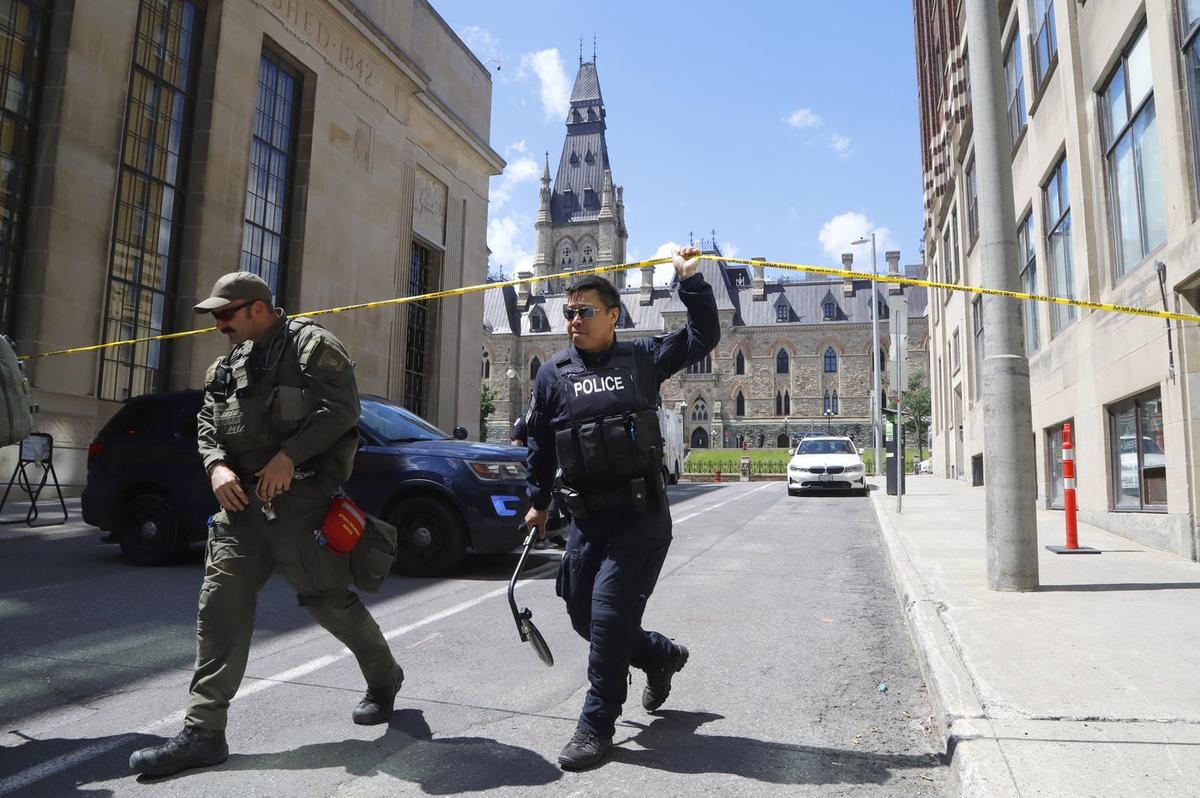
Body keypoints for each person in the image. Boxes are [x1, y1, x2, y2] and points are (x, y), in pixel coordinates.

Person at [129, 272, 403, 778]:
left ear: (257, 308)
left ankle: (384, 677)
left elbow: (343, 411)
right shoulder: (225, 365)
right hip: (240, 511)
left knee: (329, 603)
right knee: (220, 607)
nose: (218, 325)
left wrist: (288, 456)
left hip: (301, 503)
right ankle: (204, 731)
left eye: (225, 315)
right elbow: (207, 422)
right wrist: (215, 466)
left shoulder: (311, 346)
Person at [523, 246, 719, 770]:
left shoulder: (642, 359)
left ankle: (595, 725)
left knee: (608, 619)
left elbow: (703, 336)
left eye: (585, 311)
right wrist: (538, 503)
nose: (574, 321)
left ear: (614, 315)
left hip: (639, 517)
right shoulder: (553, 374)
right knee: (584, 618)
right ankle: (661, 656)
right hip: (587, 519)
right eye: (569, 312)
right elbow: (541, 444)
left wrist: (690, 283)